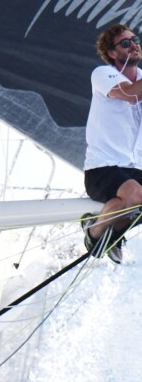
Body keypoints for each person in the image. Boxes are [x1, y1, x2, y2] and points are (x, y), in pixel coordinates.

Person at [82, 24, 142, 264]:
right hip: (102, 168)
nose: (134, 44)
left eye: (134, 39)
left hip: (134, 169)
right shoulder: (102, 74)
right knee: (135, 195)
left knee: (130, 198)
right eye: (125, 43)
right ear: (112, 53)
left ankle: (115, 229)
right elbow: (129, 95)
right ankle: (94, 235)